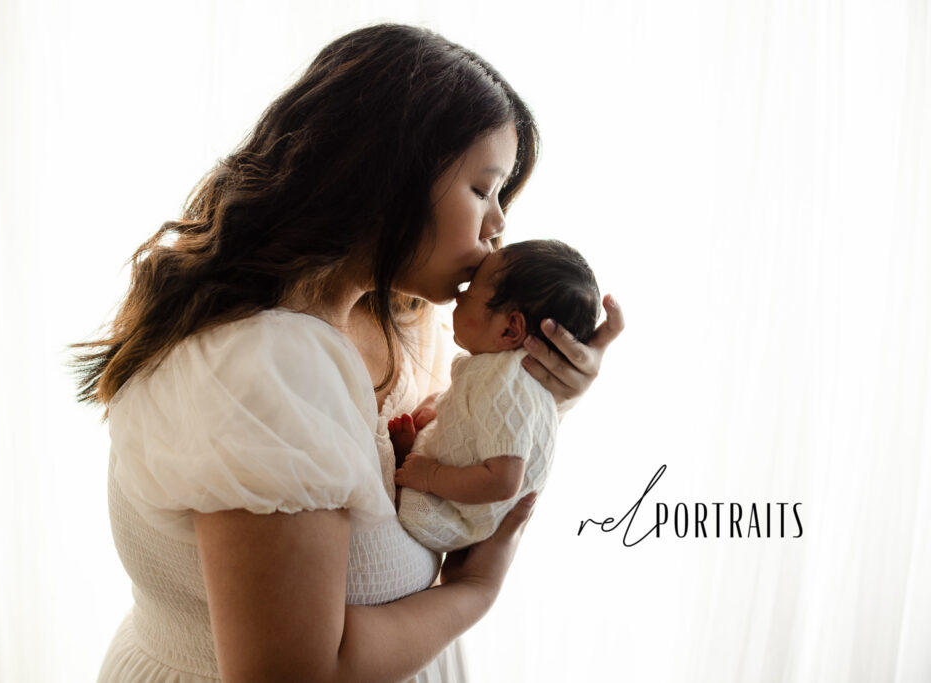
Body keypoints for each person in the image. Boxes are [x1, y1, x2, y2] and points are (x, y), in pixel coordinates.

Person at [70, 23, 623, 682]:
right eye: (483, 188)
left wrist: (539, 392)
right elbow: (299, 669)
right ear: (387, 176)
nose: (499, 222)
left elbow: (455, 456)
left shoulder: (392, 319)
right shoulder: (270, 366)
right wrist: (472, 592)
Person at [391, 239, 600, 553]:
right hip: (462, 496)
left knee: (404, 505)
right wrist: (442, 408)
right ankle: (412, 456)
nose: (459, 296)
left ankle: (404, 465)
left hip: (452, 517)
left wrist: (430, 476)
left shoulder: (505, 380)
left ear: (509, 330)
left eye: (470, 291)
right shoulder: (509, 373)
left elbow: (503, 482)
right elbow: (484, 420)